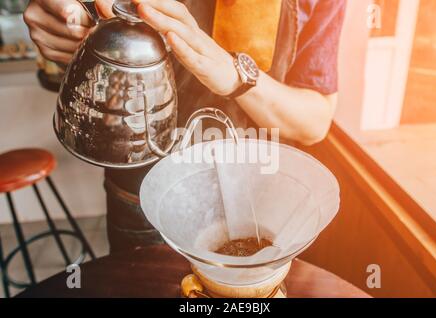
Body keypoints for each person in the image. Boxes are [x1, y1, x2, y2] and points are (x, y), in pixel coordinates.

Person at [24, 0, 346, 253]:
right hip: (148, 201)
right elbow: (72, 12)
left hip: (261, 206)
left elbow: (315, 122)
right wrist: (62, 20)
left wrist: (236, 76)